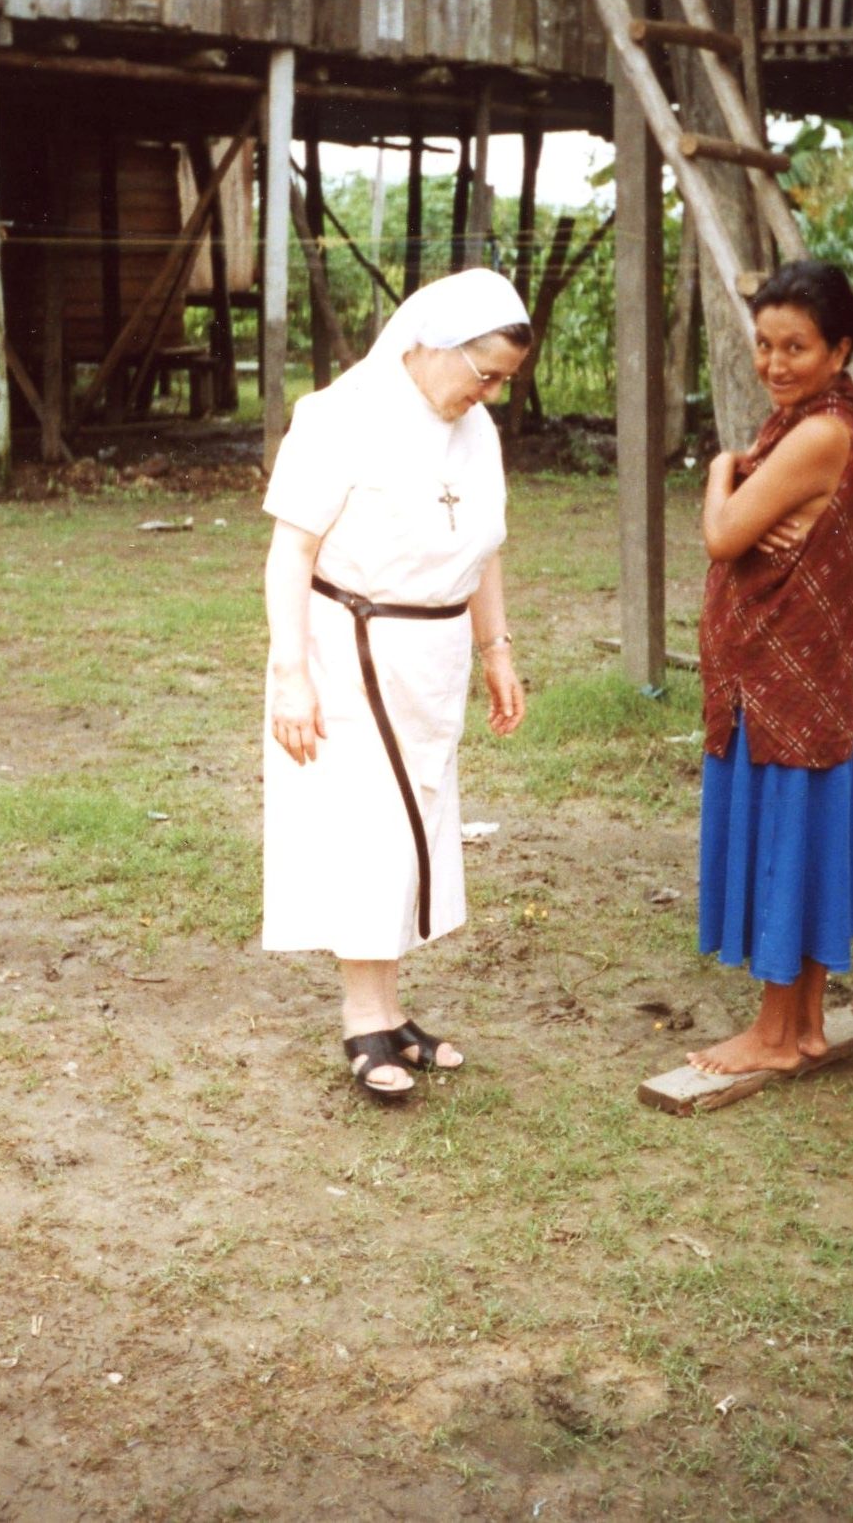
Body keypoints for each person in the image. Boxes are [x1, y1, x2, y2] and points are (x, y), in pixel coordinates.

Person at [260, 268, 530, 1102]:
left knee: (417, 828)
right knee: (369, 832)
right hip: (352, 653)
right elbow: (291, 553)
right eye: (483, 373)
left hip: (435, 660)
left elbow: (482, 547)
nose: (491, 394)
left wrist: (497, 650)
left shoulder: (475, 429)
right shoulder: (339, 416)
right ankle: (360, 1022)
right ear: (430, 345)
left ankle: (390, 1010)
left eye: (504, 382)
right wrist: (291, 674)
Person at [687, 260, 853, 1076]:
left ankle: (771, 1035)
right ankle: (802, 1022)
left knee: (782, 844)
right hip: (798, 677)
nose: (774, 364)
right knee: (796, 843)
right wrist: (745, 484)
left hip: (781, 683)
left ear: (840, 352)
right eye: (764, 345)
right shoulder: (817, 425)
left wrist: (718, 475)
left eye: (796, 347)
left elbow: (724, 535)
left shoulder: (820, 433)